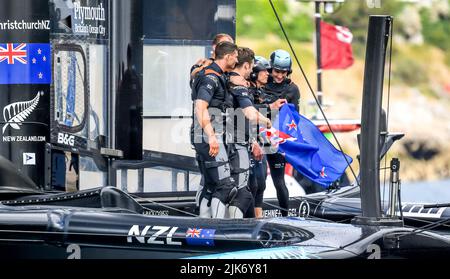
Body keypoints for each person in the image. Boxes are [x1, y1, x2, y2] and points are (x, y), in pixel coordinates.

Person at [191, 41, 239, 218]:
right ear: (227, 56)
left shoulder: (218, 74)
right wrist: (211, 136)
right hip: (208, 135)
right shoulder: (210, 77)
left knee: (211, 185)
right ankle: (218, 229)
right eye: (235, 56)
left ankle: (204, 226)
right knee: (225, 186)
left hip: (206, 135)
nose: (236, 60)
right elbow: (200, 107)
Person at [227, 47, 273, 218]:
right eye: (253, 68)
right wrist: (266, 120)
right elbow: (249, 113)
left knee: (252, 185)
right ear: (246, 66)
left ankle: (243, 223)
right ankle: (233, 228)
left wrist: (253, 140)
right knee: (243, 189)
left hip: (237, 139)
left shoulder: (225, 78)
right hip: (233, 142)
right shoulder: (238, 84)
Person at [264, 49, 300, 217]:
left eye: (283, 72)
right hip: (257, 137)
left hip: (276, 140)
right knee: (257, 180)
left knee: (279, 181)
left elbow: (295, 120)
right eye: (276, 71)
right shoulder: (261, 82)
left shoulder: (293, 89)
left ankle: (285, 217)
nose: (279, 75)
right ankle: (252, 216)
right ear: (270, 69)